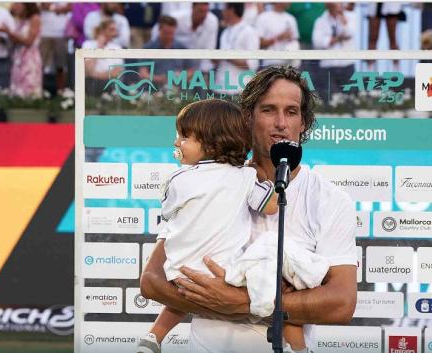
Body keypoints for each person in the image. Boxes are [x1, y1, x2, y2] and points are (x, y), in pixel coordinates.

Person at [140, 66, 358, 353]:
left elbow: (341, 303)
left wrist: (240, 302)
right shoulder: (206, 183)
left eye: (291, 112)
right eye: (269, 110)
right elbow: (153, 282)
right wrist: (268, 301)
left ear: (303, 122)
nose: (281, 123)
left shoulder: (331, 200)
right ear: (248, 117)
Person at [151, 3, 219, 72]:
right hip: (174, 60)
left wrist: (203, 72)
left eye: (206, 11)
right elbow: (156, 31)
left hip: (195, 65)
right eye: (200, 11)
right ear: (192, 8)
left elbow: (210, 48)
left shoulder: (212, 21)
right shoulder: (177, 17)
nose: (203, 15)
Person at [312, 3, 357, 102]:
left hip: (346, 64)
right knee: (328, 100)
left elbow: (350, 33)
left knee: (351, 99)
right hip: (328, 65)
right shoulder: (320, 20)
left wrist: (342, 17)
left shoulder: (350, 16)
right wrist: (338, 38)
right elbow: (318, 42)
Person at [214, 3, 260, 96]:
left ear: (231, 10)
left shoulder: (249, 32)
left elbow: (252, 64)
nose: (222, 12)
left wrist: (227, 56)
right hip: (220, 88)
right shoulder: (225, 32)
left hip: (239, 90)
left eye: (224, 9)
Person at [0, 3, 42, 98]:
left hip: (30, 59)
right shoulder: (20, 20)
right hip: (18, 57)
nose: (16, 6)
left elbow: (29, 41)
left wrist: (8, 32)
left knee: (29, 87)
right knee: (17, 89)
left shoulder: (35, 19)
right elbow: (16, 39)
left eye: (18, 4)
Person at [140, 16, 194, 88]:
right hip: (154, 90)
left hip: (177, 90)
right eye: (166, 33)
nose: (168, 36)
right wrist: (159, 79)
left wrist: (180, 76)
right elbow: (143, 73)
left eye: (171, 33)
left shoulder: (182, 48)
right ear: (159, 29)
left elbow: (191, 71)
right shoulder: (148, 48)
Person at [255, 3, 300, 67]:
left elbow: (295, 42)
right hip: (270, 63)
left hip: (289, 66)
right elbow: (259, 44)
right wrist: (278, 38)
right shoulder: (263, 17)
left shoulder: (291, 18)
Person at [39, 3, 71, 92]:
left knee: (61, 66)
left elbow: (70, 7)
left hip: (61, 34)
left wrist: (52, 8)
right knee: (40, 65)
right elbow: (43, 5)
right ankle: (38, 92)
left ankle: (61, 93)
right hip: (44, 33)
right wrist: (56, 8)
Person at [365, 3, 403, 70]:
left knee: (392, 38)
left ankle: (397, 69)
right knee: (373, 37)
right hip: (375, 6)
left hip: (391, 5)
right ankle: (370, 70)